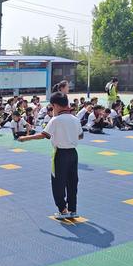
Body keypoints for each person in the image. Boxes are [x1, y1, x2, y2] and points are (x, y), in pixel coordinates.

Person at [18, 92, 83, 220]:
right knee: (72, 181)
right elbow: (80, 136)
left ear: (55, 105)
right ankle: (72, 209)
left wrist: (25, 138)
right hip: (73, 153)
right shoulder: (75, 119)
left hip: (60, 153)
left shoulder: (55, 120)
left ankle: (62, 210)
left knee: (58, 182)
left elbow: (43, 135)